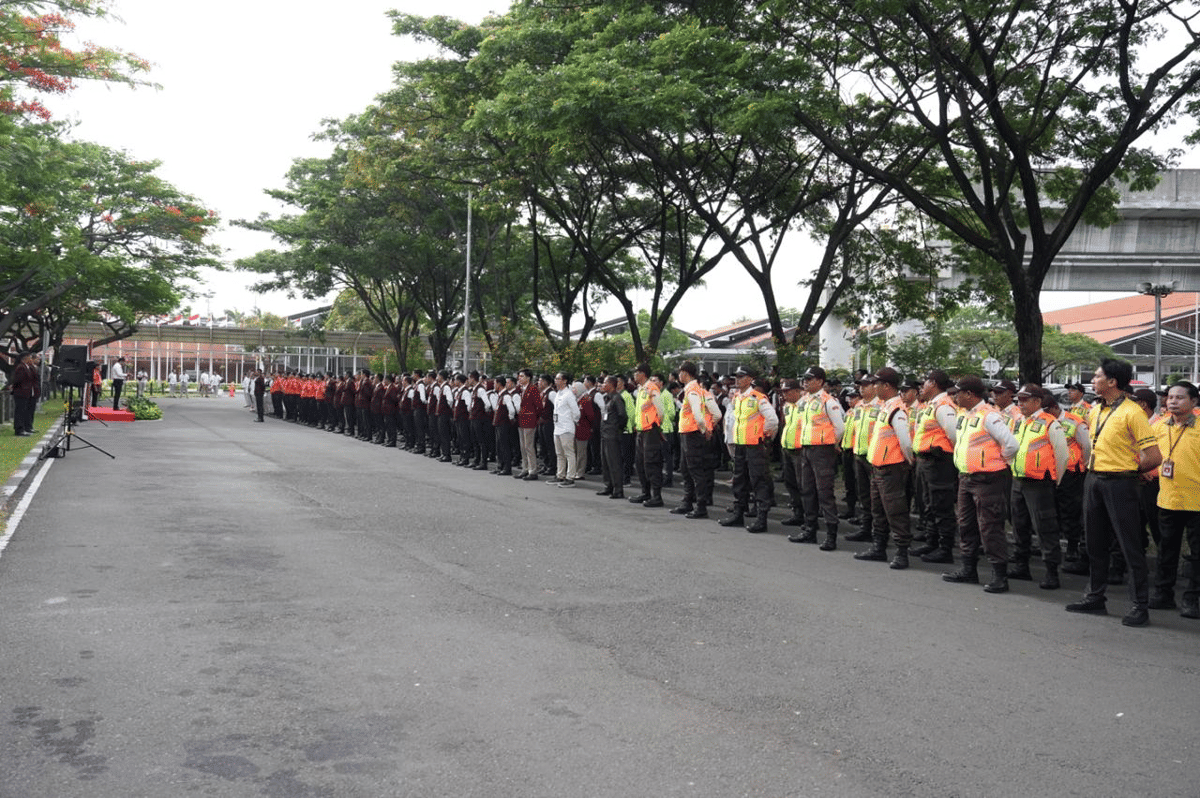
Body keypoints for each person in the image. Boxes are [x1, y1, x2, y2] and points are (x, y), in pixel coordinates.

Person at [1065, 358, 1162, 627]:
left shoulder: (1132, 412)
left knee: (1129, 544)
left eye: (1097, 376)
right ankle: (1095, 596)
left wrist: (1130, 470)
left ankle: (1139, 605)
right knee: (1094, 542)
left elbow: (1154, 456)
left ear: (1112, 382)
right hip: (1094, 480)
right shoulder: (1097, 410)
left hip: (1120, 483)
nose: (1092, 381)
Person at [942, 376, 1019, 593]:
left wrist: (997, 461)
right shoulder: (965, 415)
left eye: (958, 392)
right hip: (966, 477)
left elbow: (1011, 445)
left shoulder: (989, 415)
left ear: (970, 394)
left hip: (988, 479)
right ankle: (968, 570)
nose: (954, 396)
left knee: (990, 526)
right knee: (966, 524)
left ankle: (999, 576)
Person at [1008, 384, 1068, 589]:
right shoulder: (1018, 421)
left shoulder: (1051, 424)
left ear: (1037, 402)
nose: (1020, 403)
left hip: (1039, 483)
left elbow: (1062, 456)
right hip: (1018, 480)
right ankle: (1021, 565)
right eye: (1019, 399)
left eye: (1025, 400)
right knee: (1019, 525)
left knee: (1045, 527)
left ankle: (1052, 572)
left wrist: (1054, 480)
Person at [855, 367, 915, 568]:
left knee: (895, 511)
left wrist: (906, 462)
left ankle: (901, 552)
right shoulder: (885, 406)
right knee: (878, 510)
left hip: (891, 468)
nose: (874, 387)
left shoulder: (897, 410)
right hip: (878, 467)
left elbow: (906, 442)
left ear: (887, 386)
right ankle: (878, 547)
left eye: (877, 384)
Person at [1150, 381, 1200, 618]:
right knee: (1166, 550)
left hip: (1197, 501)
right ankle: (1163, 594)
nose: (1172, 401)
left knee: (1197, 554)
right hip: (1168, 499)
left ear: (1194, 402)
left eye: (1179, 398)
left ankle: (1192, 598)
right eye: (1170, 397)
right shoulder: (1159, 426)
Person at [719, 365, 779, 533]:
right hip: (740, 444)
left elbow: (772, 420)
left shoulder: (758, 397)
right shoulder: (737, 397)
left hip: (755, 446)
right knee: (739, 480)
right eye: (736, 376)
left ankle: (762, 518)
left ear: (750, 379)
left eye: (741, 376)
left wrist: (764, 436)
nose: (737, 379)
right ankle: (738, 513)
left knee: (759, 481)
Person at [910, 370, 959, 563]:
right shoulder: (932, 405)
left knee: (941, 505)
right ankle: (932, 542)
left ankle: (945, 548)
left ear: (935, 383)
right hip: (926, 461)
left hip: (939, 462)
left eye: (926, 382)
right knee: (928, 504)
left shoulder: (944, 405)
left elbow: (954, 434)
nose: (923, 385)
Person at [795, 366, 845, 550]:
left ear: (820, 382)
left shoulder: (828, 401)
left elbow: (840, 427)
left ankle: (831, 535)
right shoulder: (806, 400)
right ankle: (810, 530)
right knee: (807, 490)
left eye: (810, 379)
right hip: (807, 449)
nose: (805, 382)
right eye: (805, 379)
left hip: (822, 450)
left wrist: (831, 443)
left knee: (824, 492)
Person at [672, 361, 721, 519]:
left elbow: (698, 415)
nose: (679, 375)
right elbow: (717, 414)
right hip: (692, 434)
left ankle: (699, 506)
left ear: (685, 373)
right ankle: (689, 502)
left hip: (692, 434)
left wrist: (704, 429)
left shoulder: (692, 391)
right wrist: (709, 428)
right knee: (687, 469)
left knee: (694, 471)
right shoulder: (702, 390)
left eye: (680, 372)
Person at [629, 363, 667, 508]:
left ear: (643, 374)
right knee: (640, 463)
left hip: (650, 430)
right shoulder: (641, 389)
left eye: (636, 372)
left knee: (651, 463)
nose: (634, 375)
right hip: (641, 430)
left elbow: (661, 411)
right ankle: (646, 492)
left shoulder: (651, 388)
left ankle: (657, 496)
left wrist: (655, 424)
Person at [596, 375, 628, 499]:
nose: (603, 385)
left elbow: (622, 416)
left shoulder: (617, 398)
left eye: (605, 383)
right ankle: (608, 486)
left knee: (614, 462)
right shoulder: (606, 398)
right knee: (605, 461)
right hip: (605, 433)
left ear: (611, 385)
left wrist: (616, 428)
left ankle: (618, 489)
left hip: (612, 434)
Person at [549, 372, 581, 487]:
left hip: (566, 428)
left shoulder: (569, 394)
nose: (556, 381)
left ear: (565, 381)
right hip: (557, 427)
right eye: (555, 378)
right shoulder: (558, 393)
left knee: (569, 453)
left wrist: (571, 421)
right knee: (559, 453)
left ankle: (570, 477)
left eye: (558, 379)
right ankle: (560, 475)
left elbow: (576, 412)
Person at [514, 368, 543, 480]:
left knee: (529, 447)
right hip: (522, 420)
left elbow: (539, 406)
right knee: (523, 447)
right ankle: (525, 468)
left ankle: (532, 470)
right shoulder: (521, 389)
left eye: (522, 376)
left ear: (528, 377)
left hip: (529, 420)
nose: (519, 378)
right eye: (519, 376)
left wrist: (533, 416)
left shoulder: (533, 389)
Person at [10, 351, 38, 436]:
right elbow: (18, 380)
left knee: (24, 411)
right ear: (25, 358)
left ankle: (25, 428)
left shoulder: (27, 367)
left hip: (26, 393)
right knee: (20, 412)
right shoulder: (21, 367)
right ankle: (19, 430)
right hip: (21, 392)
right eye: (29, 357)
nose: (31, 359)